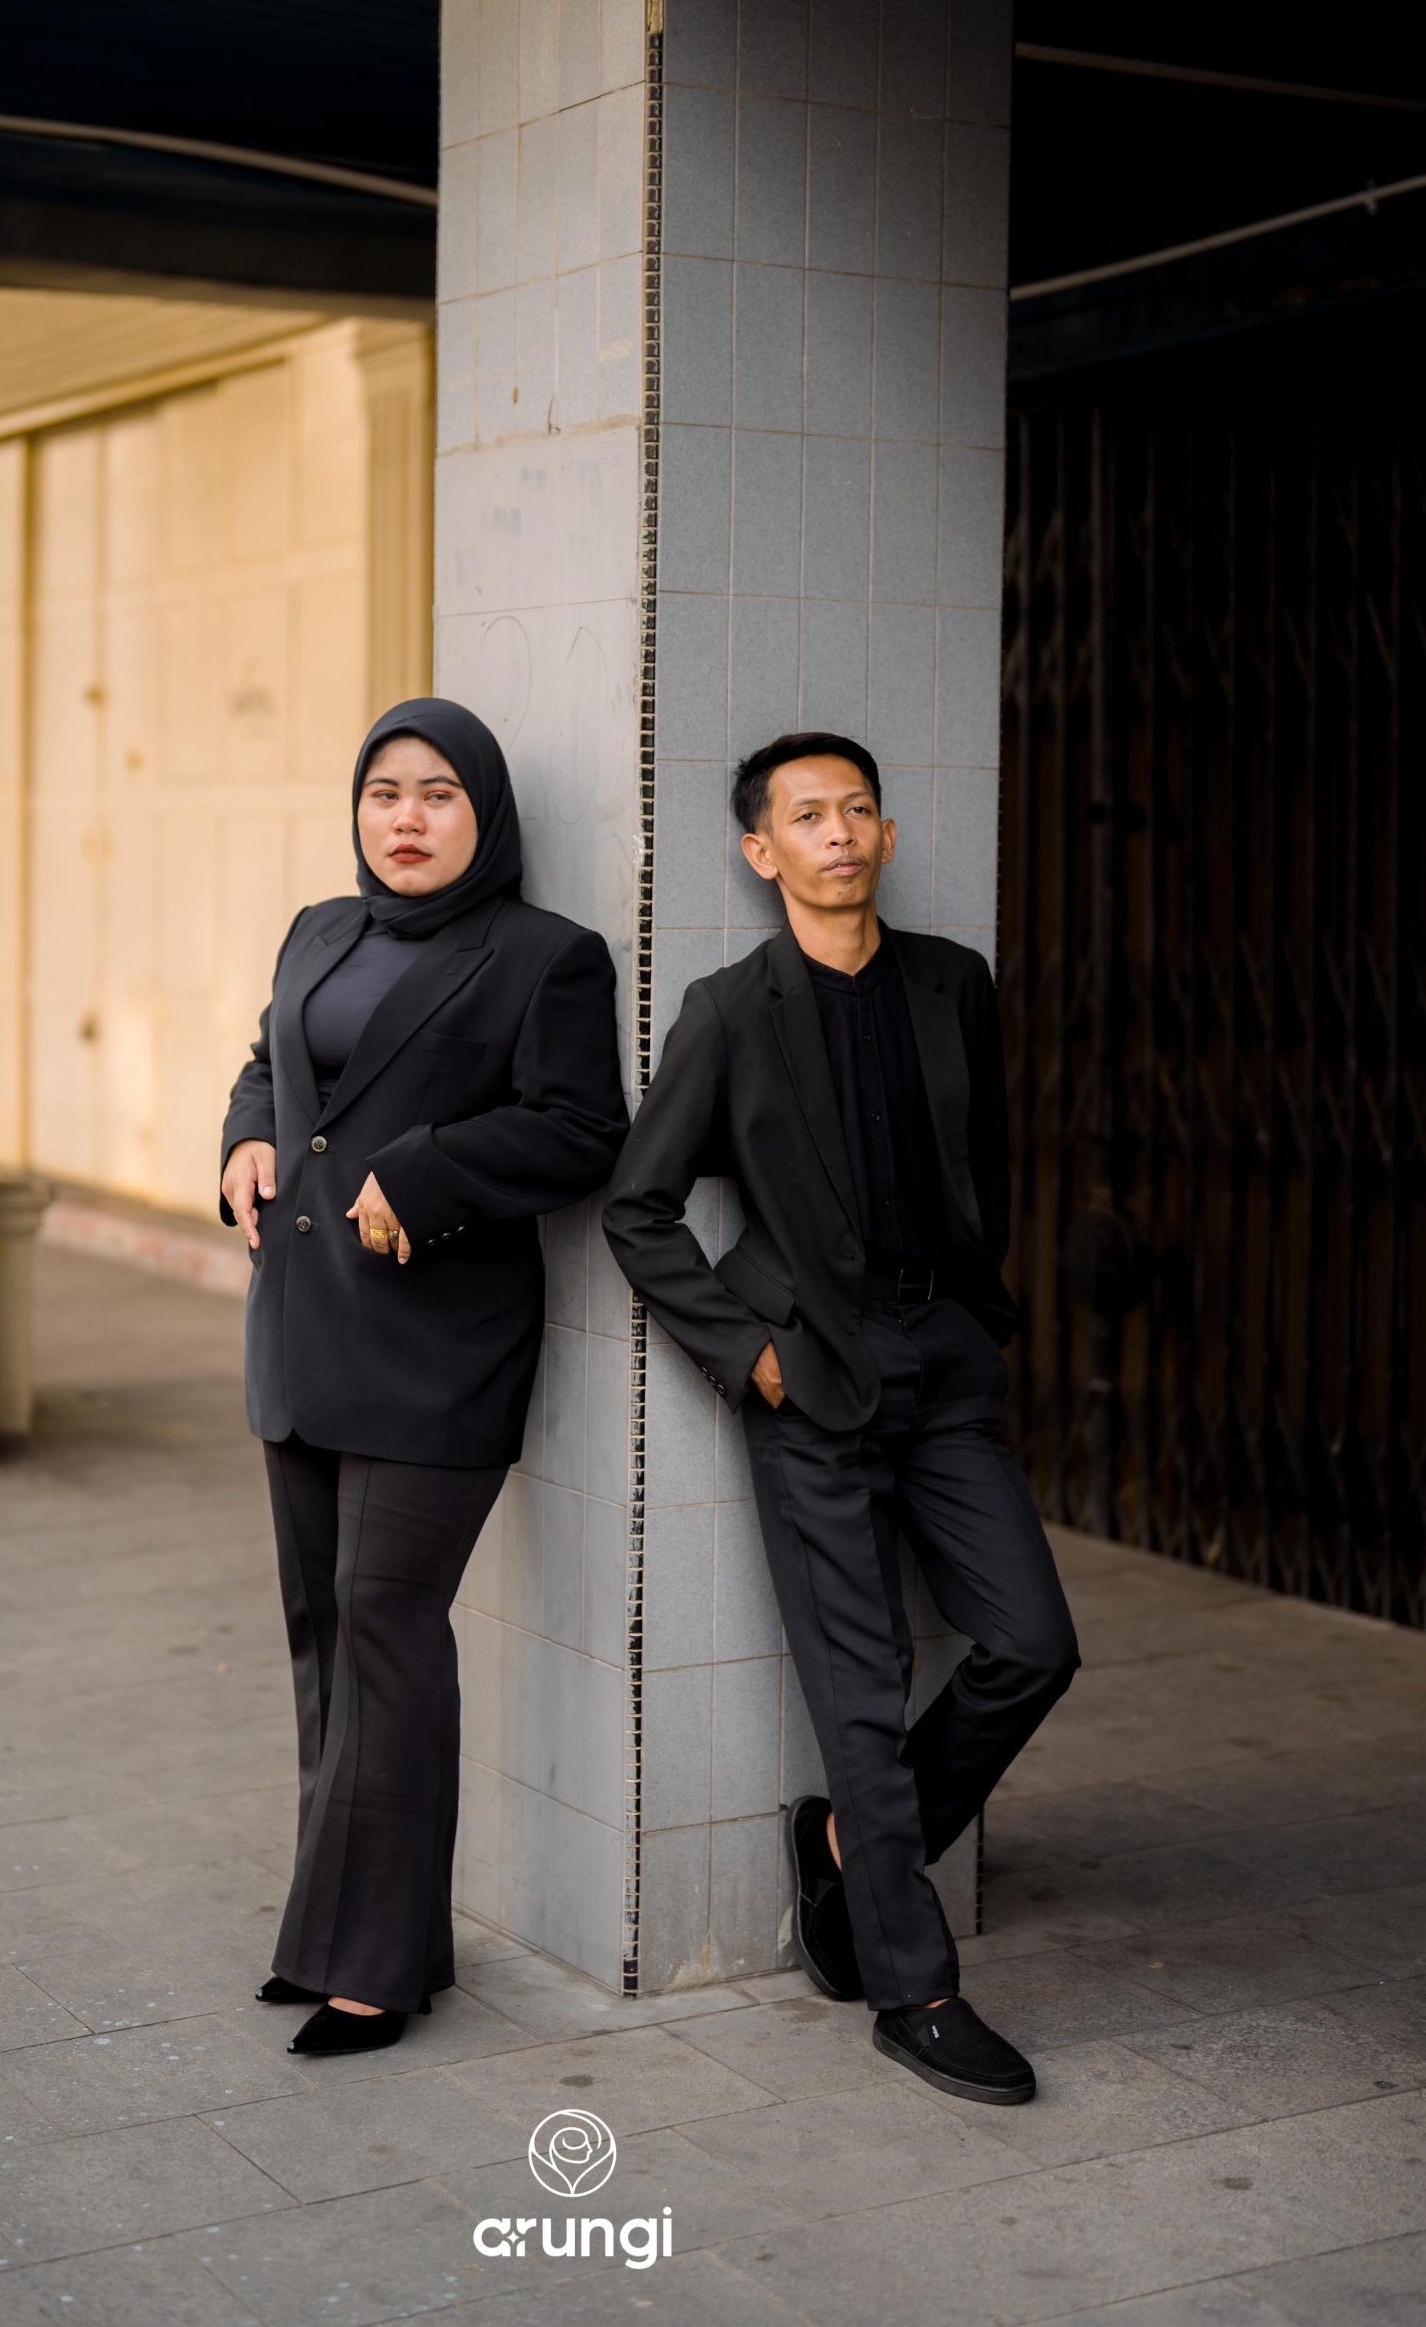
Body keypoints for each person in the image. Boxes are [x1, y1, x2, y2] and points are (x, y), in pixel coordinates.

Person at [602, 731, 1081, 2108]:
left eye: (858, 808)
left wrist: (979, 1320)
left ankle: (846, 1856)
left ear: (885, 833)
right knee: (860, 1695)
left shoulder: (952, 982)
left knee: (1034, 1645)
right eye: (807, 815)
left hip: (943, 1362)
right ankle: (912, 1990)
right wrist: (749, 1356)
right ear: (763, 852)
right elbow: (639, 1209)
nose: (840, 832)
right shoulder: (730, 1011)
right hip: (810, 1372)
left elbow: (985, 1163)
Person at [219, 696, 629, 2057]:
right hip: (303, 1330)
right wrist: (243, 1141)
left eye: (439, 794)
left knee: (388, 1629)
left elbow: (582, 1129)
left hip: (438, 1349)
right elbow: (269, 1065)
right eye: (384, 792)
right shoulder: (318, 931)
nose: (406, 819)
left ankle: (377, 1968)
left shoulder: (544, 958)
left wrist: (431, 1173)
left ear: (485, 813)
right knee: (323, 1638)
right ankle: (332, 1934)